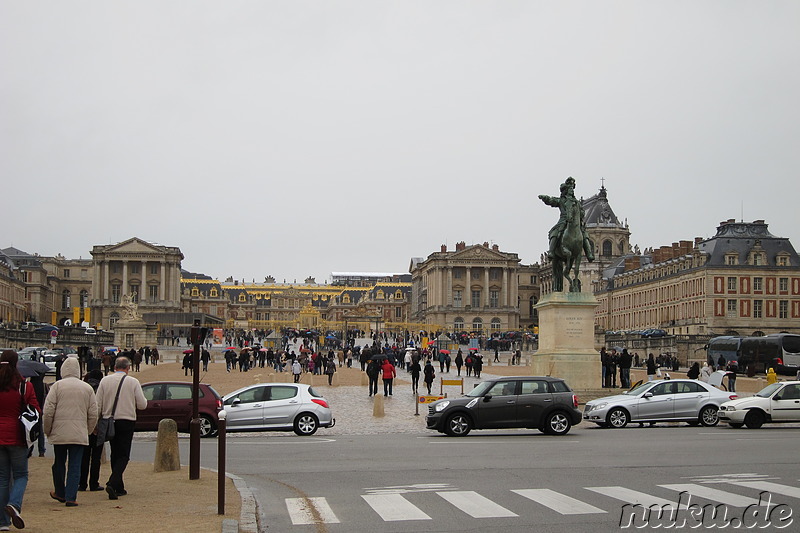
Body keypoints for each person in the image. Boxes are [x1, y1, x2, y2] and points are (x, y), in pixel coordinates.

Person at [43, 356, 98, 507]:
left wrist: (47, 429)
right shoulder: (87, 388)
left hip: (59, 431)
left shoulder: (57, 386)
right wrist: (87, 430)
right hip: (79, 431)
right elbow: (94, 413)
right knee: (75, 465)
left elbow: (48, 411)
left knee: (59, 463)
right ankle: (71, 497)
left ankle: (60, 491)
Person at [95, 356, 147, 500]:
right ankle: (113, 482)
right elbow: (142, 405)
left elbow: (97, 404)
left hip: (108, 420)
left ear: (114, 366)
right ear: (128, 368)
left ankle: (118, 486)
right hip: (127, 420)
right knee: (123, 455)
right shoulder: (133, 382)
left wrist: (96, 422)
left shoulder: (105, 380)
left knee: (115, 453)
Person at [1, 350, 40, 531]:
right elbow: (35, 411)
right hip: (18, 436)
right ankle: (14, 505)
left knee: (2, 478)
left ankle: (3, 522)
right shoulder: (24, 386)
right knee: (21, 475)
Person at [79, 370, 104, 493]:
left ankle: (82, 483)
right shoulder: (101, 389)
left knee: (84, 457)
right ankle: (94, 483)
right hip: (97, 427)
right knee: (96, 458)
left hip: (84, 426)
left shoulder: (83, 388)